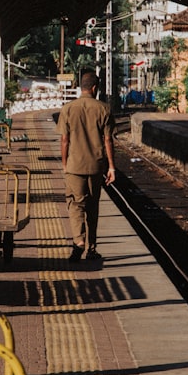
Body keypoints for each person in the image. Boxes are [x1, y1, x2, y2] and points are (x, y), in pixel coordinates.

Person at [58, 71, 116, 262]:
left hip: (74, 166)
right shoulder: (104, 109)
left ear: (81, 87)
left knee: (75, 205)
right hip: (95, 166)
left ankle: (78, 242)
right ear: (94, 88)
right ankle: (91, 248)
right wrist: (111, 167)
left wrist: (65, 163)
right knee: (93, 207)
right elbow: (108, 140)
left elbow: (64, 140)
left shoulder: (67, 109)